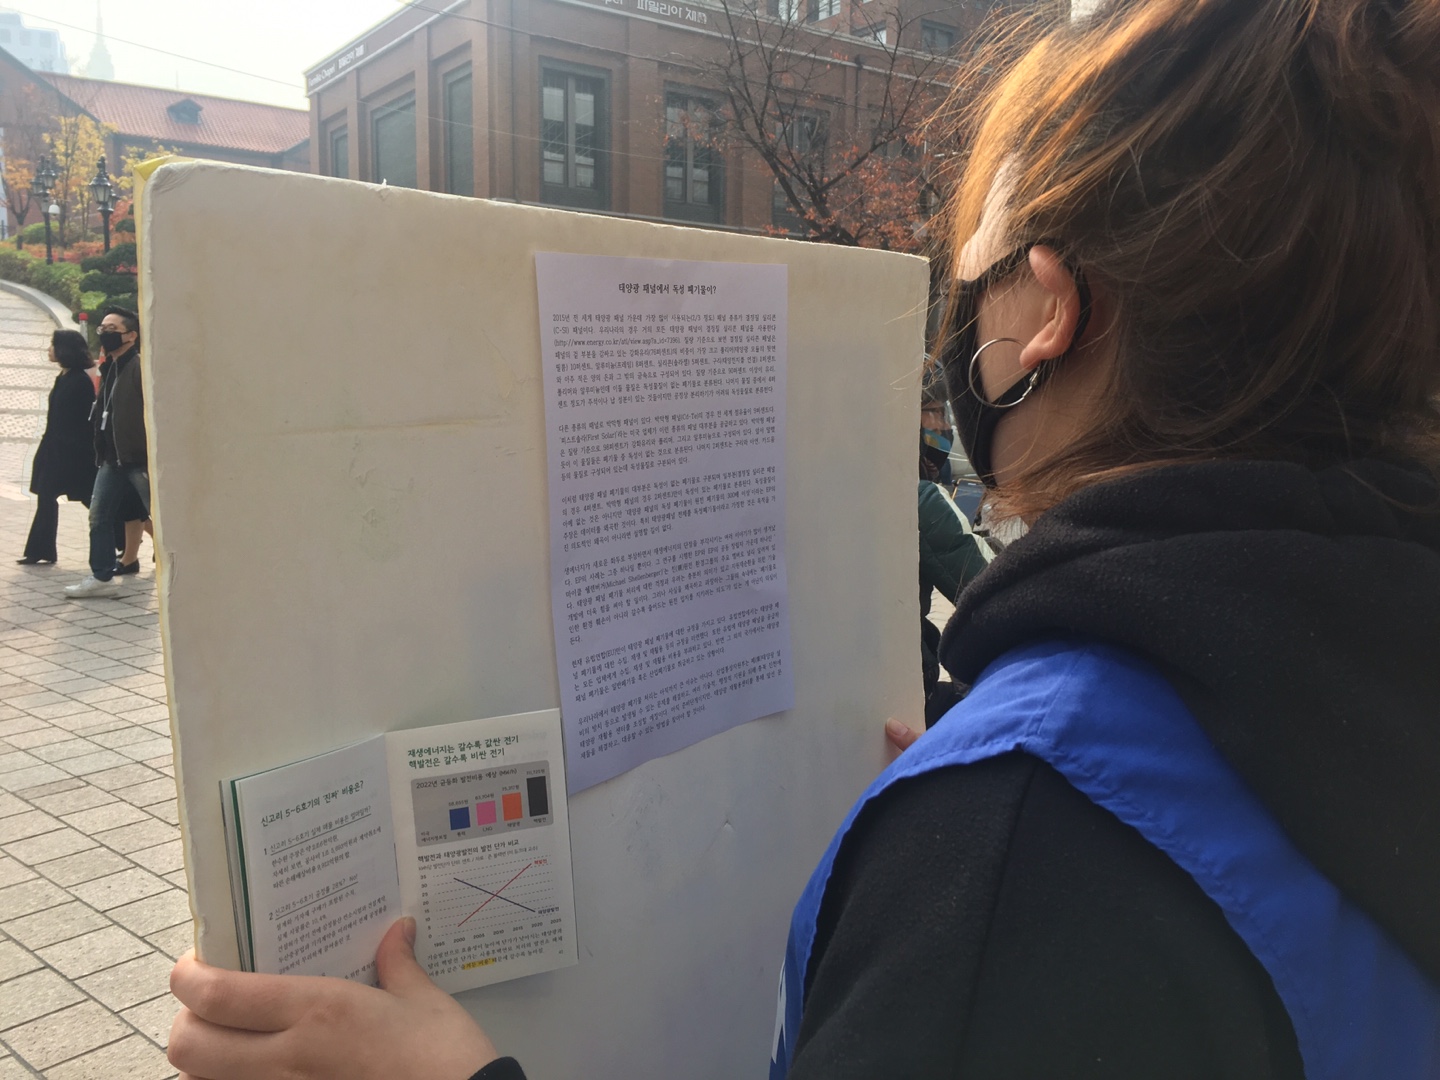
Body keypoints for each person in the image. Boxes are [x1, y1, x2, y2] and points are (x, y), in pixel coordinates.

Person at [167, 0, 1440, 1074]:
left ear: (1049, 307)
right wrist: (990, 812)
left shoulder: (1025, 841)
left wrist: (998, 840)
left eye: (976, 270)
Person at [918, 371, 993, 726]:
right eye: (934, 412)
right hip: (917, 696)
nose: (944, 426)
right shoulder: (922, 499)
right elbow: (992, 590)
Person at [65, 307, 150, 599]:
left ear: (131, 335)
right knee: (99, 517)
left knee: (161, 519)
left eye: (112, 329)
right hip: (111, 459)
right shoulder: (109, 366)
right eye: (102, 328)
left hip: (137, 459)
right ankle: (101, 576)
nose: (104, 333)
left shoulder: (139, 368)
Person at [18, 330, 98, 565]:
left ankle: (128, 538)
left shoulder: (79, 381)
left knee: (90, 498)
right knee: (46, 496)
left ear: (65, 349)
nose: (49, 349)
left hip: (73, 454)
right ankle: (40, 551)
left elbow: (83, 422)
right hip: (53, 449)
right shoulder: (63, 377)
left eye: (53, 345)